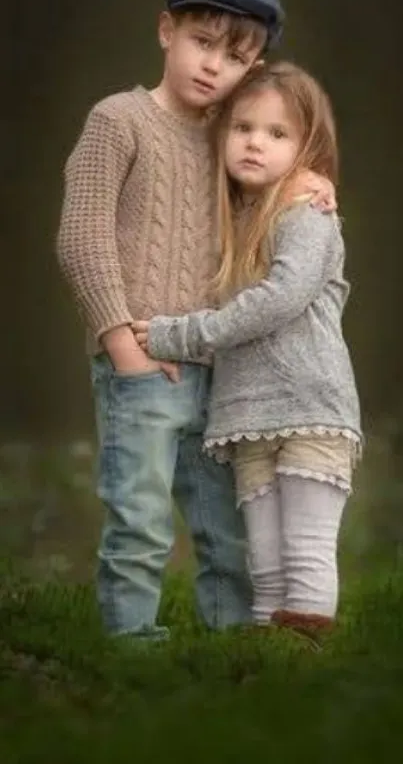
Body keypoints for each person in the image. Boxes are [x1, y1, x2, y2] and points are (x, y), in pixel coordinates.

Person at [57, 0, 336, 640]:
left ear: (255, 68)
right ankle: (130, 649)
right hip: (142, 361)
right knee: (141, 519)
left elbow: (265, 188)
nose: (213, 66)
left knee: (227, 523)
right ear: (165, 31)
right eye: (202, 42)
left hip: (221, 370)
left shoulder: (228, 135)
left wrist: (307, 180)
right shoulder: (117, 119)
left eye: (235, 57)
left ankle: (231, 642)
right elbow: (81, 238)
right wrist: (123, 343)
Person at [133, 60, 362, 641]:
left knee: (304, 550)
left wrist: (176, 333)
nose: (256, 143)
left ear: (307, 145)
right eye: (244, 129)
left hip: (311, 410)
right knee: (264, 561)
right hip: (246, 417)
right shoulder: (232, 217)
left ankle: (304, 666)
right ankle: (265, 671)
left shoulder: (307, 213)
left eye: (277, 133)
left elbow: (279, 300)